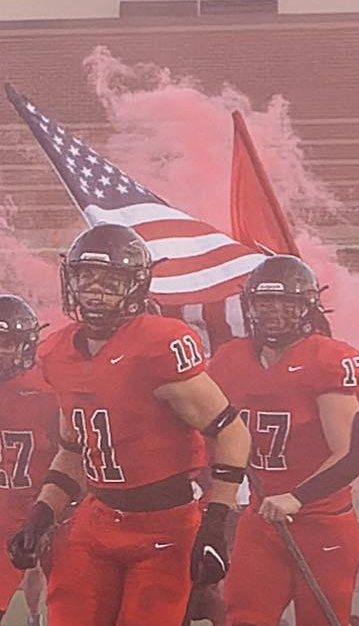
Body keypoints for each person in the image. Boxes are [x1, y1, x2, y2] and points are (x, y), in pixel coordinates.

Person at [7, 223, 250, 626]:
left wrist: (216, 522)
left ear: (135, 286)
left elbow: (230, 431)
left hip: (165, 523)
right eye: (87, 277)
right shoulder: (58, 352)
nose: (96, 289)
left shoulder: (159, 344)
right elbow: (73, 449)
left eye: (110, 279)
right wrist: (40, 516)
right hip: (97, 517)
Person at [208, 255, 359, 626]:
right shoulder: (228, 360)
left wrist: (297, 496)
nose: (274, 312)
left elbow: (352, 454)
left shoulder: (325, 359)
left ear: (308, 307)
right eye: (265, 302)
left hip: (323, 523)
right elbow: (206, 428)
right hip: (261, 523)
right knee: (243, 618)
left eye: (287, 302)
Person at [0, 296, 58, 624]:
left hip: (50, 505)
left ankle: (36, 616)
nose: (1, 350)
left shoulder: (46, 389)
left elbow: (76, 453)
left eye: (8, 342)